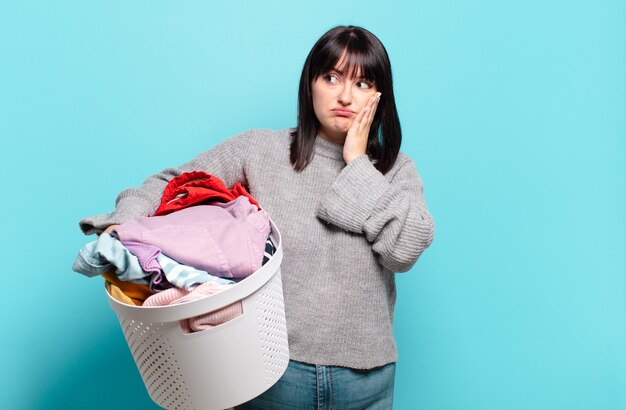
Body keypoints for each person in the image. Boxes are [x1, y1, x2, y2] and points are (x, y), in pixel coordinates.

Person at [79, 25, 434, 409]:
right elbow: (172, 183)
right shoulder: (261, 150)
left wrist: (357, 164)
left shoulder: (395, 169)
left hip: (366, 380)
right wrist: (124, 224)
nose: (345, 96)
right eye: (331, 77)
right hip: (273, 374)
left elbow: (404, 250)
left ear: (380, 97)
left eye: (363, 83)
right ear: (310, 83)